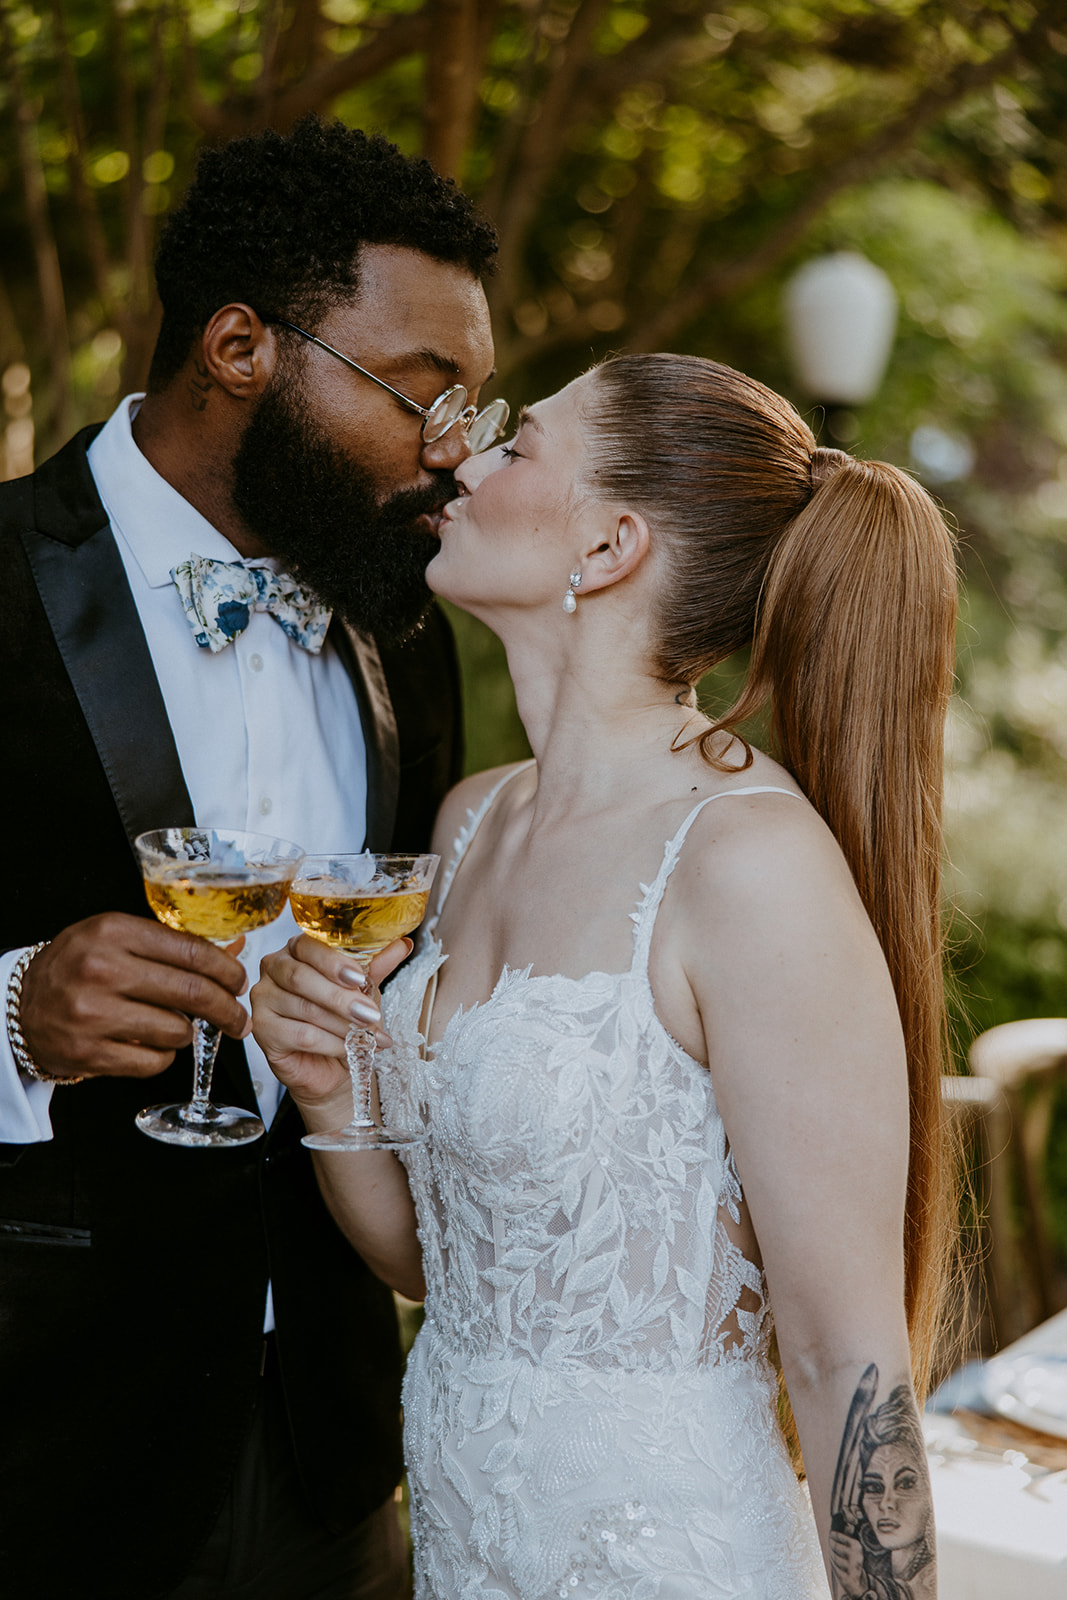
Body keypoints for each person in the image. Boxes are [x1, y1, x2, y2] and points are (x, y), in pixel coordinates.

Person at [251, 352, 958, 1599]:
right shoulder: (471, 824)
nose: (459, 457)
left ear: (609, 545)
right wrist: (330, 1099)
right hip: (468, 1558)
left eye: (516, 447)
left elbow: (850, 1365)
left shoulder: (746, 867)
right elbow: (444, 1264)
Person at [0, 116, 504, 1599]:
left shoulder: (405, 631)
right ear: (239, 348)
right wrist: (13, 1015)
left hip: (336, 1451)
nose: (448, 453)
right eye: (420, 395)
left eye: (472, 407)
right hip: (42, 1443)